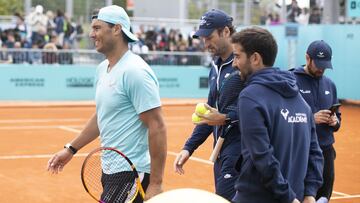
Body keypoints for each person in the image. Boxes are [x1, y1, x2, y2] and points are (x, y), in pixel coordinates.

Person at [47, 5, 167, 202]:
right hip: (110, 171)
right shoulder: (102, 69)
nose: (91, 34)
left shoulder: (135, 71)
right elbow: (102, 116)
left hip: (132, 172)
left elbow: (157, 125)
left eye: (97, 28)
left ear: (117, 29)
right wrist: (71, 149)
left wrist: (156, 183)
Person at [230, 27, 324, 203]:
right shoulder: (301, 102)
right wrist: (309, 194)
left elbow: (262, 156)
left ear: (255, 58)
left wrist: (289, 197)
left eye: (237, 56)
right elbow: (315, 153)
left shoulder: (250, 96)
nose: (234, 63)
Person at [173, 9, 244, 201]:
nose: (205, 43)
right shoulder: (215, 66)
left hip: (242, 152)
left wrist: (226, 118)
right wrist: (189, 148)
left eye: (209, 37)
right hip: (220, 151)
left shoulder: (244, 63)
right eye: (202, 38)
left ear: (226, 32)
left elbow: (261, 106)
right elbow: (209, 112)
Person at [290, 40, 341, 203]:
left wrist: (335, 121)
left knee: (324, 196)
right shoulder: (291, 80)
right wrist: (311, 119)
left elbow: (338, 118)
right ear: (307, 58)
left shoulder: (330, 84)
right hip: (300, 151)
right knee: (301, 195)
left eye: (325, 65)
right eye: (318, 64)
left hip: (325, 151)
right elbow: (284, 116)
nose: (321, 69)